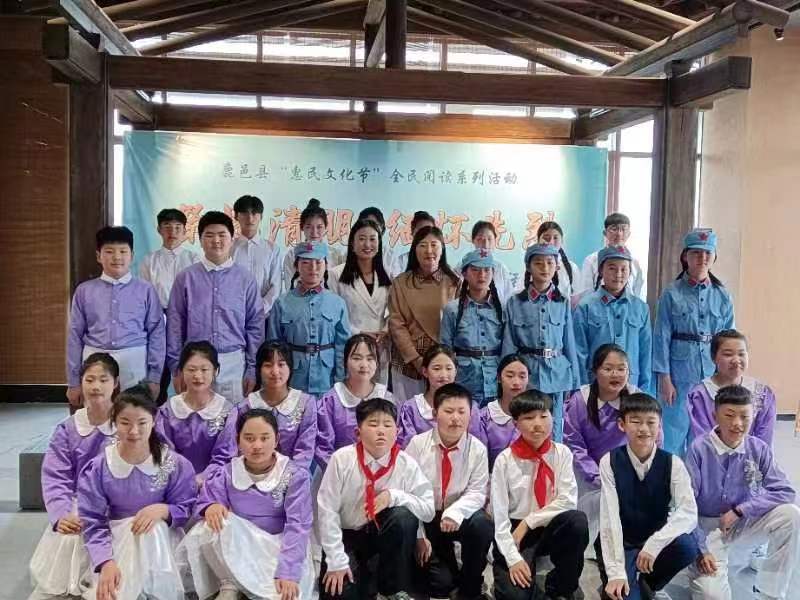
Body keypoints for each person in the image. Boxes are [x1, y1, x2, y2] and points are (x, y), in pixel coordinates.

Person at [181, 409, 316, 600]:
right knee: (210, 524)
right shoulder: (227, 473)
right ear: (238, 440)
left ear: (276, 440)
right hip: (241, 546)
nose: (257, 445)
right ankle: (228, 582)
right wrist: (211, 506)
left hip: (278, 547)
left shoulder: (294, 475)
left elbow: (298, 526)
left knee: (281, 594)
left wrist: (288, 572)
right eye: (249, 438)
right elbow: (208, 498)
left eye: (264, 438)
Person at [77, 385, 196, 600]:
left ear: (154, 420)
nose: (134, 431)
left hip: (161, 541)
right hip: (115, 540)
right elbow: (92, 520)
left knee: (152, 529)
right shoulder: (100, 467)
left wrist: (164, 510)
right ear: (114, 421)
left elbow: (186, 506)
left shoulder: (173, 463)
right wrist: (105, 562)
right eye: (125, 423)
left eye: (142, 423)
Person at [686, 384, 800, 600]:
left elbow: (785, 490)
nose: (737, 423)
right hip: (708, 531)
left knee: (791, 515)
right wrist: (701, 549)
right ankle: (701, 568)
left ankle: (770, 593)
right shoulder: (698, 449)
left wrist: (741, 510)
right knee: (711, 595)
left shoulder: (758, 448)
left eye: (744, 417)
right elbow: (686, 506)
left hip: (744, 523)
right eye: (729, 415)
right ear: (715, 416)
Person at [317, 398, 435, 600]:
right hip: (348, 536)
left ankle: (392, 589)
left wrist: (393, 496)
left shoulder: (406, 463)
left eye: (388, 425)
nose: (381, 431)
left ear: (397, 432)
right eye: (373, 424)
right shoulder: (341, 459)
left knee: (403, 516)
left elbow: (428, 510)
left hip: (384, 537)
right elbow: (327, 512)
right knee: (338, 592)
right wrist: (336, 560)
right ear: (358, 432)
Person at [29, 353, 120, 600]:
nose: (96, 386)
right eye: (89, 380)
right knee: (73, 529)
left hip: (121, 502)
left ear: (115, 383)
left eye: (103, 379)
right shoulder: (68, 429)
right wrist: (61, 514)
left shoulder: (127, 422)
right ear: (81, 383)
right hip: (80, 502)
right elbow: (55, 477)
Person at [598, 393, 699, 600]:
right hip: (622, 542)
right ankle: (626, 580)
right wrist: (616, 573)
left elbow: (688, 512)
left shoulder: (673, 463)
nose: (644, 429)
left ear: (660, 425)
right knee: (620, 595)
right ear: (622, 425)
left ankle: (649, 583)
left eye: (651, 422)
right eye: (635, 421)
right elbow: (609, 518)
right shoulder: (610, 461)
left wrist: (655, 543)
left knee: (687, 546)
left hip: (655, 539)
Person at [491, 390, 589, 600]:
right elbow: (499, 518)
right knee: (514, 596)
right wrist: (512, 558)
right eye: (528, 418)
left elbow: (567, 501)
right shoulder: (505, 460)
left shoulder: (562, 453)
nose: (538, 424)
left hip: (549, 525)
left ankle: (561, 585)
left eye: (544, 416)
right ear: (516, 423)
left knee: (577, 521)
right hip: (515, 530)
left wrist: (529, 522)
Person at [405, 384, 493, 600]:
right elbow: (407, 492)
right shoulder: (417, 445)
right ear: (435, 413)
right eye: (449, 411)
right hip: (426, 518)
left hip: (456, 517)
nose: (456, 418)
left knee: (482, 524)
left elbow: (477, 492)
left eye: (462, 412)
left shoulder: (477, 449)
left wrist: (456, 512)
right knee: (440, 585)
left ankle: (471, 585)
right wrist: (419, 535)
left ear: (470, 415)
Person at [167, 210, 264, 404]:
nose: (216, 241)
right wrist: (176, 367)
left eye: (222, 235)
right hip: (195, 363)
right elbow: (175, 324)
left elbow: (255, 325)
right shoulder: (186, 278)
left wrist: (252, 368)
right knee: (195, 416)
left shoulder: (245, 279)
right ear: (200, 240)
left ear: (232, 239)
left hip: (233, 363)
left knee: (232, 417)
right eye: (209, 235)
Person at [653, 228, 735, 455]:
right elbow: (661, 337)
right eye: (696, 253)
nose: (702, 258)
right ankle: (671, 475)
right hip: (678, 376)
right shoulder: (671, 294)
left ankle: (701, 476)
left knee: (706, 434)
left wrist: (727, 379)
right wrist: (665, 378)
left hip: (711, 375)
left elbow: (730, 342)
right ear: (685, 257)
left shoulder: (723, 296)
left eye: (708, 253)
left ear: (714, 257)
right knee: (673, 433)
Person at [67, 226, 165, 406]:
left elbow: (157, 334)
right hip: (95, 358)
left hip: (134, 359)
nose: (117, 257)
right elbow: (74, 335)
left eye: (123, 251)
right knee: (96, 414)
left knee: (132, 414)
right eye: (109, 251)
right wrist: (73, 381)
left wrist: (154, 377)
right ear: (99, 256)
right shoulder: (84, 291)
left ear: (132, 255)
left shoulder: (146, 290)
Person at [503, 243, 580, 442]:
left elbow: (569, 343)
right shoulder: (515, 302)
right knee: (527, 424)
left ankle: (554, 461)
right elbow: (509, 344)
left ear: (557, 267)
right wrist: (507, 378)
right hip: (527, 375)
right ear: (528, 267)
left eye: (550, 263)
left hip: (557, 375)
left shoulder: (562, 302)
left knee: (554, 428)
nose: (545, 268)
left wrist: (575, 381)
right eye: (538, 263)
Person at [563, 344, 636, 548]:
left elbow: (651, 439)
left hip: (626, 473)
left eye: (621, 369)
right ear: (595, 371)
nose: (616, 374)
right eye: (608, 368)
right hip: (588, 474)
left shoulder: (636, 398)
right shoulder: (580, 400)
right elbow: (574, 444)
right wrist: (598, 476)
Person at [267, 240, 351, 395]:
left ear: (326, 265)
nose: (313, 268)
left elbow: (343, 346)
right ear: (296, 266)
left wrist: (340, 381)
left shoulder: (337, 303)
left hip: (327, 380)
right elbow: (274, 346)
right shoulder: (282, 303)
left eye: (318, 262)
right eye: (306, 263)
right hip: (293, 381)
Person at [388, 226, 460, 404]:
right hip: (407, 365)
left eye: (434, 245)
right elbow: (396, 324)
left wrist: (443, 362)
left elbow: (460, 324)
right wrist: (415, 359)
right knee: (409, 413)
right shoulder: (401, 282)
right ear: (414, 250)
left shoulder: (455, 282)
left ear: (442, 249)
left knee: (443, 411)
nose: (429, 251)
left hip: (443, 365)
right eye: (422, 245)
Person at [223, 341, 317, 470]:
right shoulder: (244, 408)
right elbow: (232, 451)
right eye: (268, 365)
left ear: (290, 367)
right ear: (259, 369)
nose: (275, 371)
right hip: (251, 475)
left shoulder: (306, 404)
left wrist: (288, 478)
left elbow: (305, 452)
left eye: (281, 364)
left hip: (293, 476)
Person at [573, 245, 652, 393]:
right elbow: (579, 352)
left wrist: (643, 391)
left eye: (624, 269)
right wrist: (583, 389)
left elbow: (645, 353)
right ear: (601, 271)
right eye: (612, 268)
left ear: (630, 272)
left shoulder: (641, 308)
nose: (618, 274)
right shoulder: (585, 306)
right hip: (596, 385)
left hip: (631, 385)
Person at [156, 341, 236, 485]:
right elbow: (165, 452)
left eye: (204, 369)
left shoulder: (228, 411)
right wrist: (184, 481)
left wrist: (201, 479)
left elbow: (225, 456)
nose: (198, 376)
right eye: (191, 369)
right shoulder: (167, 411)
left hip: (215, 484)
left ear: (216, 371)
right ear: (181, 371)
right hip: (175, 483)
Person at [329, 219, 392, 384]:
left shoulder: (387, 274)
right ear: (352, 243)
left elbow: (395, 310)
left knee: (377, 394)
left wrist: (386, 329)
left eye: (372, 239)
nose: (367, 244)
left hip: (380, 347)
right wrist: (359, 332)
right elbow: (333, 316)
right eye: (362, 239)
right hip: (350, 346)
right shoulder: (336, 274)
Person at [315, 334, 393, 470]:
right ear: (345, 361)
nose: (364, 365)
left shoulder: (388, 399)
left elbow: (396, 442)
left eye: (370, 358)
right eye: (357, 358)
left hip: (381, 474)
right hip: (338, 473)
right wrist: (343, 474)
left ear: (377, 363)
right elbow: (323, 447)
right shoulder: (331, 400)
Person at [688, 329, 776, 446]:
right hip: (712, 455)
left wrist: (751, 454)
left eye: (741, 354)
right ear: (714, 358)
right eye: (728, 354)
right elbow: (702, 437)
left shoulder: (762, 393)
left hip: (752, 455)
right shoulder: (699, 395)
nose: (736, 360)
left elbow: (765, 437)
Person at [441, 249, 505, 407]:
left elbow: (508, 347)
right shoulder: (452, 309)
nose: (482, 275)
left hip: (496, 380)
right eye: (475, 270)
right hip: (464, 380)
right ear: (465, 273)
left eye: (487, 270)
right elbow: (445, 349)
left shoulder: (502, 308)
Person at [397, 348, 479, 448]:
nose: (443, 375)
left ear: (456, 371)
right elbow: (407, 447)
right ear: (425, 371)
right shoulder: (411, 408)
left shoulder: (469, 406)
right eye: (436, 369)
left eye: (449, 368)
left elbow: (475, 445)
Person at [231, 194, 283, 320]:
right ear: (236, 216)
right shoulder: (229, 248)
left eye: (254, 213)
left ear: (261, 216)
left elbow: (276, 286)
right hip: (233, 316)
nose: (250, 218)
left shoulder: (272, 249)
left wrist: (260, 309)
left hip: (264, 317)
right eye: (245, 213)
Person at [138, 207, 200, 310]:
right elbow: (143, 293)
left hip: (187, 313)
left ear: (184, 231)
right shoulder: (149, 260)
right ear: (159, 230)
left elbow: (198, 291)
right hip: (157, 313)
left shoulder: (194, 259)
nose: (172, 232)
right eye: (167, 226)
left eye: (177, 227)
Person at [477, 354, 528, 469]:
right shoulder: (485, 416)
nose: (516, 382)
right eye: (510, 376)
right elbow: (480, 459)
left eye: (522, 376)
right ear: (499, 378)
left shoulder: (536, 414)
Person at [579, 213, 645, 299]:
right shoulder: (592, 260)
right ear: (605, 233)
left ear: (629, 234)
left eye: (623, 229)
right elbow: (586, 294)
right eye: (614, 229)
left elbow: (638, 295)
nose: (619, 234)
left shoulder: (635, 263)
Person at [282, 198, 344, 289]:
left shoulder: (336, 255)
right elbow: (290, 288)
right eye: (309, 227)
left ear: (326, 227)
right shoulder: (292, 255)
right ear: (302, 227)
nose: (314, 232)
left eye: (319, 227)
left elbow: (340, 288)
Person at [469, 220, 516, 303]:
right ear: (473, 241)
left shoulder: (500, 268)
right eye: (480, 239)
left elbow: (510, 299)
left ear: (495, 241)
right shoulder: (463, 267)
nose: (485, 244)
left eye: (489, 239)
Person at [536, 221, 580, 301]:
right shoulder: (532, 267)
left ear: (562, 241)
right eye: (546, 238)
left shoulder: (572, 268)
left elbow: (575, 300)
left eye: (555, 238)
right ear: (538, 241)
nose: (551, 242)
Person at [389, 210, 437, 278]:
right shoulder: (400, 262)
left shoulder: (440, 262)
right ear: (412, 233)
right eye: (421, 231)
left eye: (429, 231)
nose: (425, 235)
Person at [357, 206, 398, 279]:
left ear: (382, 229)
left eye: (374, 225)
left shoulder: (390, 257)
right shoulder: (351, 254)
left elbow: (397, 283)